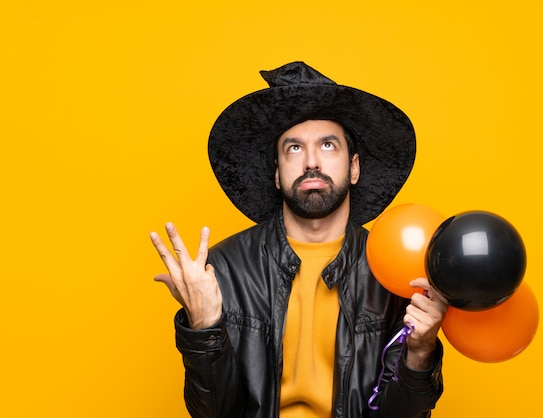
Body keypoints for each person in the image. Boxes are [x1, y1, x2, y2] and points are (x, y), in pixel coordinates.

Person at [150, 61, 448, 418]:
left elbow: (400, 414)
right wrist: (204, 328)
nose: (310, 162)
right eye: (293, 148)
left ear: (353, 167)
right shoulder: (222, 271)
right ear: (277, 173)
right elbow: (215, 412)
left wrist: (420, 351)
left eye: (327, 145)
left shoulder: (395, 272)